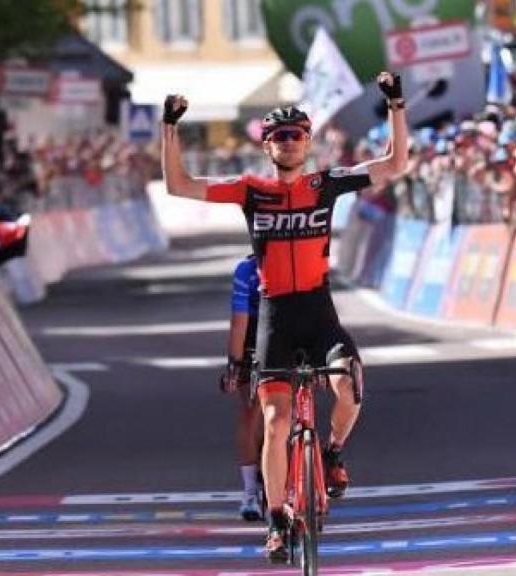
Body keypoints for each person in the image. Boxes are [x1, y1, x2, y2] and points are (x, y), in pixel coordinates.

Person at [161, 71, 409, 563]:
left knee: (349, 386)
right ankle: (277, 521)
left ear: (308, 143)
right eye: (279, 137)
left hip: (318, 309)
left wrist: (396, 105)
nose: (289, 143)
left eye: (297, 135)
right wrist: (169, 128)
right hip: (274, 314)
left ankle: (332, 452)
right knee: (274, 423)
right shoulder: (250, 190)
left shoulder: (326, 184)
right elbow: (179, 185)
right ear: (268, 147)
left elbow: (396, 163)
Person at [218, 254, 264, 521]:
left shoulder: (249, 268)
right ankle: (250, 490)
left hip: (287, 329)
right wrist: (235, 366)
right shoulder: (247, 270)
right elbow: (240, 323)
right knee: (251, 407)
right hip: (254, 336)